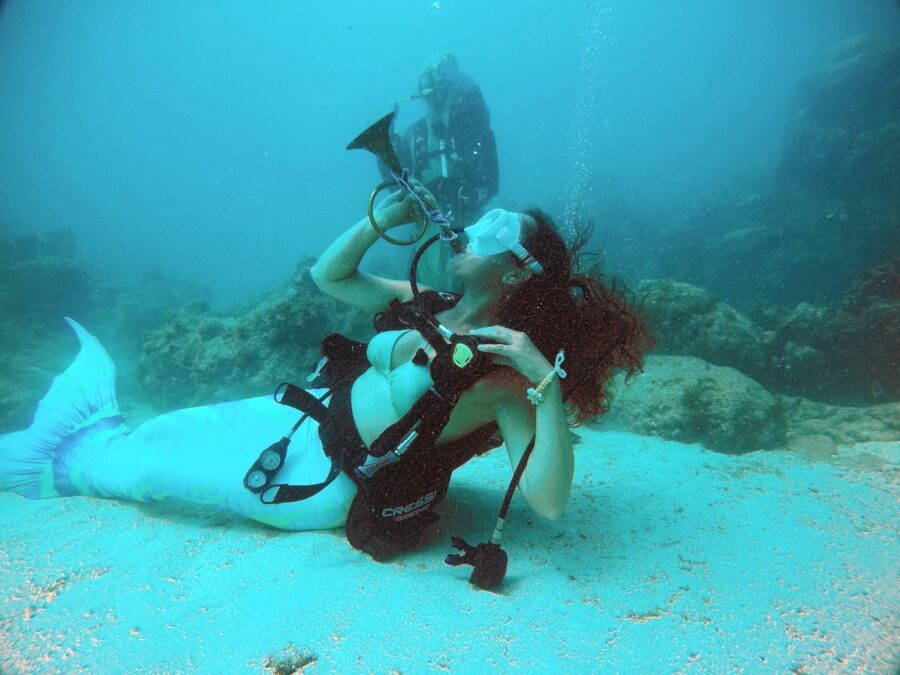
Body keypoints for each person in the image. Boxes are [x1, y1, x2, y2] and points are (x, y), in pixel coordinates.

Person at [0, 184, 651, 573]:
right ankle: (63, 441)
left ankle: (36, 466)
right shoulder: (434, 304)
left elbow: (548, 501)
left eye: (498, 230)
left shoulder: (505, 377)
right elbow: (331, 277)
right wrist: (379, 222)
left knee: (142, 473)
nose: (474, 227)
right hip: (305, 416)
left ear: (515, 272)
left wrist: (547, 385)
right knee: (151, 436)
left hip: (321, 480)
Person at [382, 53, 499, 289]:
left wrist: (447, 72)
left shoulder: (471, 126)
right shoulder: (414, 135)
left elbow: (490, 182)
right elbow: (396, 187)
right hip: (429, 238)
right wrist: (385, 157)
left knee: (480, 289)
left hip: (471, 227)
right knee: (434, 293)